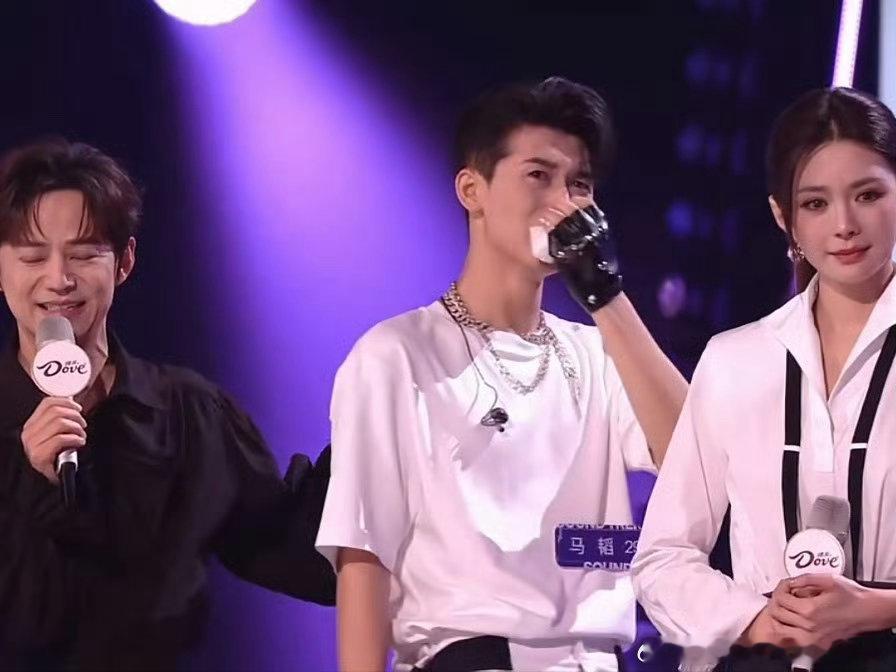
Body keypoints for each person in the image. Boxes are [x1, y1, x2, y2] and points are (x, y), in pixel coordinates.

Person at [316, 76, 688, 672]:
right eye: (539, 175)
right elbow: (364, 554)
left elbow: (693, 457)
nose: (565, 203)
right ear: (473, 190)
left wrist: (606, 295)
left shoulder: (597, 352)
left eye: (580, 184)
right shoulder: (396, 355)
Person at [0, 139, 335, 670]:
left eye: (84, 254)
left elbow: (295, 555)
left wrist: (372, 433)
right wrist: (32, 484)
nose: (59, 279)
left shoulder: (188, 412)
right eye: (33, 257)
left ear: (124, 261)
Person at [632, 87, 896, 672]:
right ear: (783, 217)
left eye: (868, 195)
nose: (845, 225)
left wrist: (877, 609)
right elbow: (663, 556)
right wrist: (755, 621)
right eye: (815, 204)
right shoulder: (735, 361)